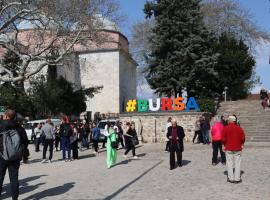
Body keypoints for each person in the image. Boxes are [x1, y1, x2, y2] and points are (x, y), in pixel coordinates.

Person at [0, 109, 28, 200]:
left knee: (0, 178)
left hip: (1, 155)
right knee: (14, 179)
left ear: (6, 115)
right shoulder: (19, 126)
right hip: (15, 156)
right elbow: (25, 141)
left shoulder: (0, 125)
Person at [222, 115, 245, 184]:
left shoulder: (225, 128)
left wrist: (223, 145)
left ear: (229, 121)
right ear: (234, 121)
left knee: (229, 163)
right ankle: (237, 178)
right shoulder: (239, 128)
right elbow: (243, 138)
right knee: (237, 163)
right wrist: (242, 144)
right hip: (238, 148)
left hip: (228, 147)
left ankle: (231, 178)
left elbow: (223, 138)